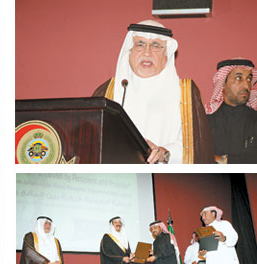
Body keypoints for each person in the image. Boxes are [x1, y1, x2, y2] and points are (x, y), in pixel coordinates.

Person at [92, 19, 214, 163]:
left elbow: (197, 149)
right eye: (140, 44)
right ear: (129, 51)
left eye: (156, 45)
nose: (147, 53)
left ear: (166, 55)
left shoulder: (185, 93)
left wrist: (165, 153)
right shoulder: (107, 92)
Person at [206, 59, 257, 163]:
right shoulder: (207, 119)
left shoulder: (254, 118)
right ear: (223, 84)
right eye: (238, 78)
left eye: (249, 79)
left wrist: (223, 160)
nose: (246, 85)